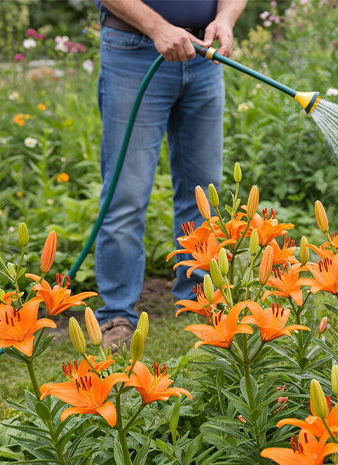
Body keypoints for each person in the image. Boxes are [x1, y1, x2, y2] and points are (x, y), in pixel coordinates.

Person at [93, 0, 246, 349]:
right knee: (126, 195)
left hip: (203, 58)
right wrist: (158, 28)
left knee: (203, 194)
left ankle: (200, 297)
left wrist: (225, 17)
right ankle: (117, 315)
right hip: (134, 52)